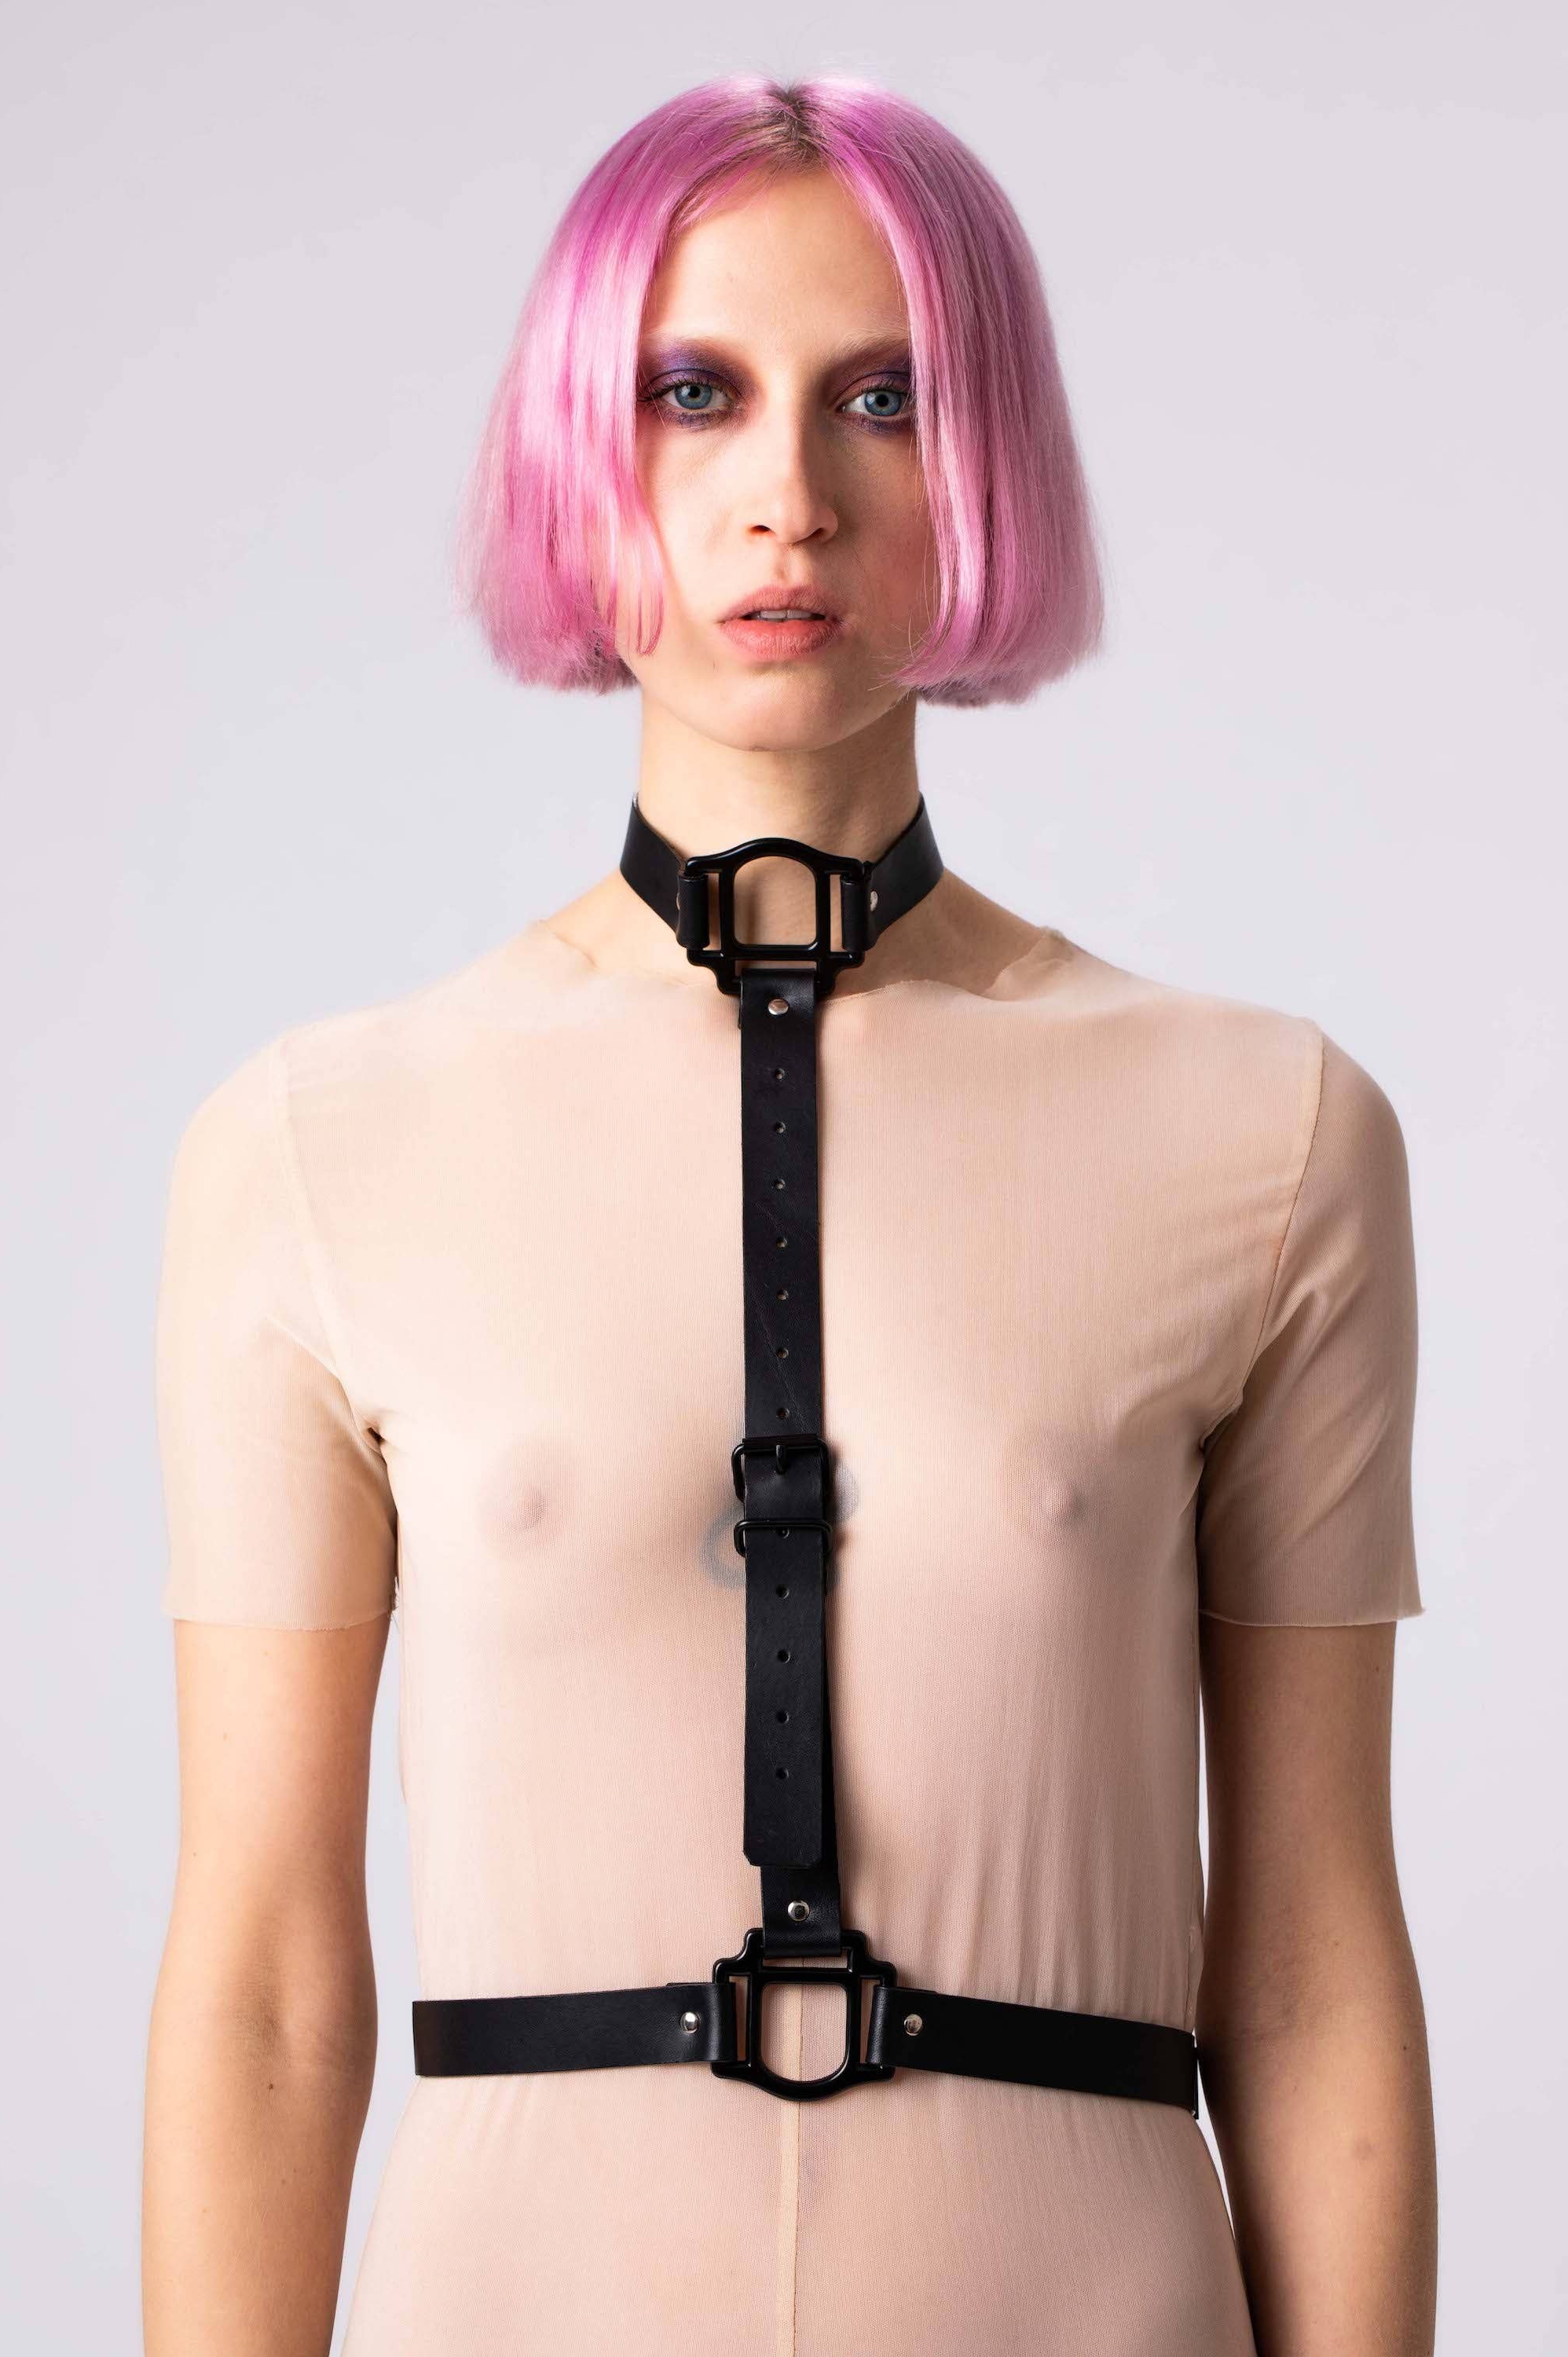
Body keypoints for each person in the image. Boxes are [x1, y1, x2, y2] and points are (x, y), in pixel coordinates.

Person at [141, 71, 1438, 2357]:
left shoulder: (1269, 1135)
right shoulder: (316, 1146)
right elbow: (264, 1981)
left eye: (883, 396)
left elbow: (1314, 1957)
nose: (789, 496)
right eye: (692, 393)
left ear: (986, 457)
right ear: (582, 447)